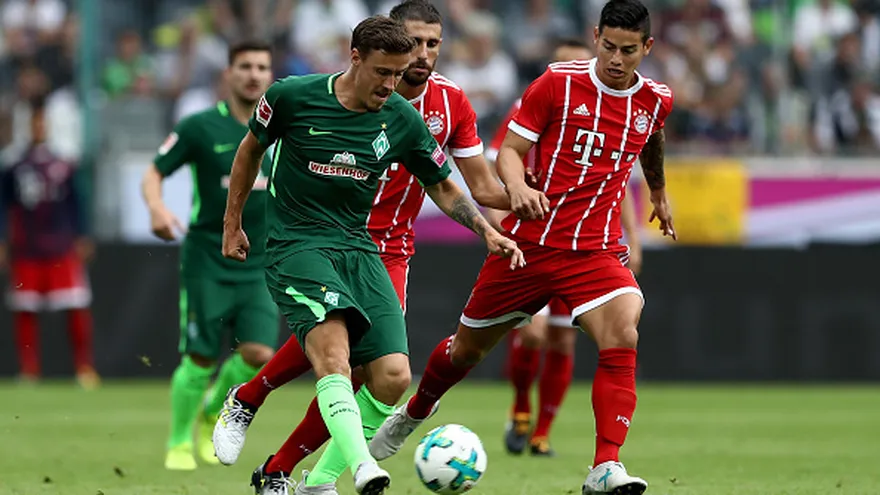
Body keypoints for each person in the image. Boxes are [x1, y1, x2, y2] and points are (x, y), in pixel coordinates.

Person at [369, 1, 676, 494]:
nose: (616, 59)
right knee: (465, 351)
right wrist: (519, 190)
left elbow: (651, 137)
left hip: (594, 252)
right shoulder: (557, 83)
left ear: (647, 48)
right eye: (609, 47)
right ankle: (416, 409)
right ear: (596, 36)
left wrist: (657, 190)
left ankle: (605, 465)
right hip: (529, 243)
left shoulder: (656, 98)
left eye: (628, 51)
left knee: (623, 330)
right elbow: (509, 152)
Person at [213, 3, 513, 494]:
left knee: (391, 377)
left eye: (429, 46)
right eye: (388, 68)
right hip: (301, 241)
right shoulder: (292, 96)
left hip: (374, 248)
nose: (397, 79)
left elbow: (451, 187)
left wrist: (489, 228)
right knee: (335, 357)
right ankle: (353, 468)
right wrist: (233, 224)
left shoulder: (413, 114)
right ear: (354, 57)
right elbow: (250, 151)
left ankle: (281, 462)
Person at [486, 38, 644, 458]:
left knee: (563, 340)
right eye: (561, 65)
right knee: (533, 333)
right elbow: (496, 167)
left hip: (586, 245)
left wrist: (633, 238)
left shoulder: (606, 109)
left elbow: (619, 186)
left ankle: (542, 432)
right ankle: (520, 407)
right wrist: (502, 229)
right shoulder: (530, 105)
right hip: (535, 239)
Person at [140, 40, 278, 471]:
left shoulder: (285, 127)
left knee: (259, 354)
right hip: (207, 257)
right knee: (200, 355)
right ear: (228, 74)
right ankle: (179, 440)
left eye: (262, 67)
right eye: (245, 66)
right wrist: (157, 207)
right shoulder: (200, 126)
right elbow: (154, 171)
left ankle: (210, 412)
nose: (254, 74)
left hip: (260, 260)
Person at [0, 96, 98, 389]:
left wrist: (82, 235)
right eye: (34, 122)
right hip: (27, 248)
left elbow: (77, 203)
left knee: (76, 306)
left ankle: (84, 368)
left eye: (43, 122)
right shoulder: (14, 166)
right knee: (25, 310)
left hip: (61, 246)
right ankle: (30, 370)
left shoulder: (64, 164)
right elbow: (4, 205)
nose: (39, 127)